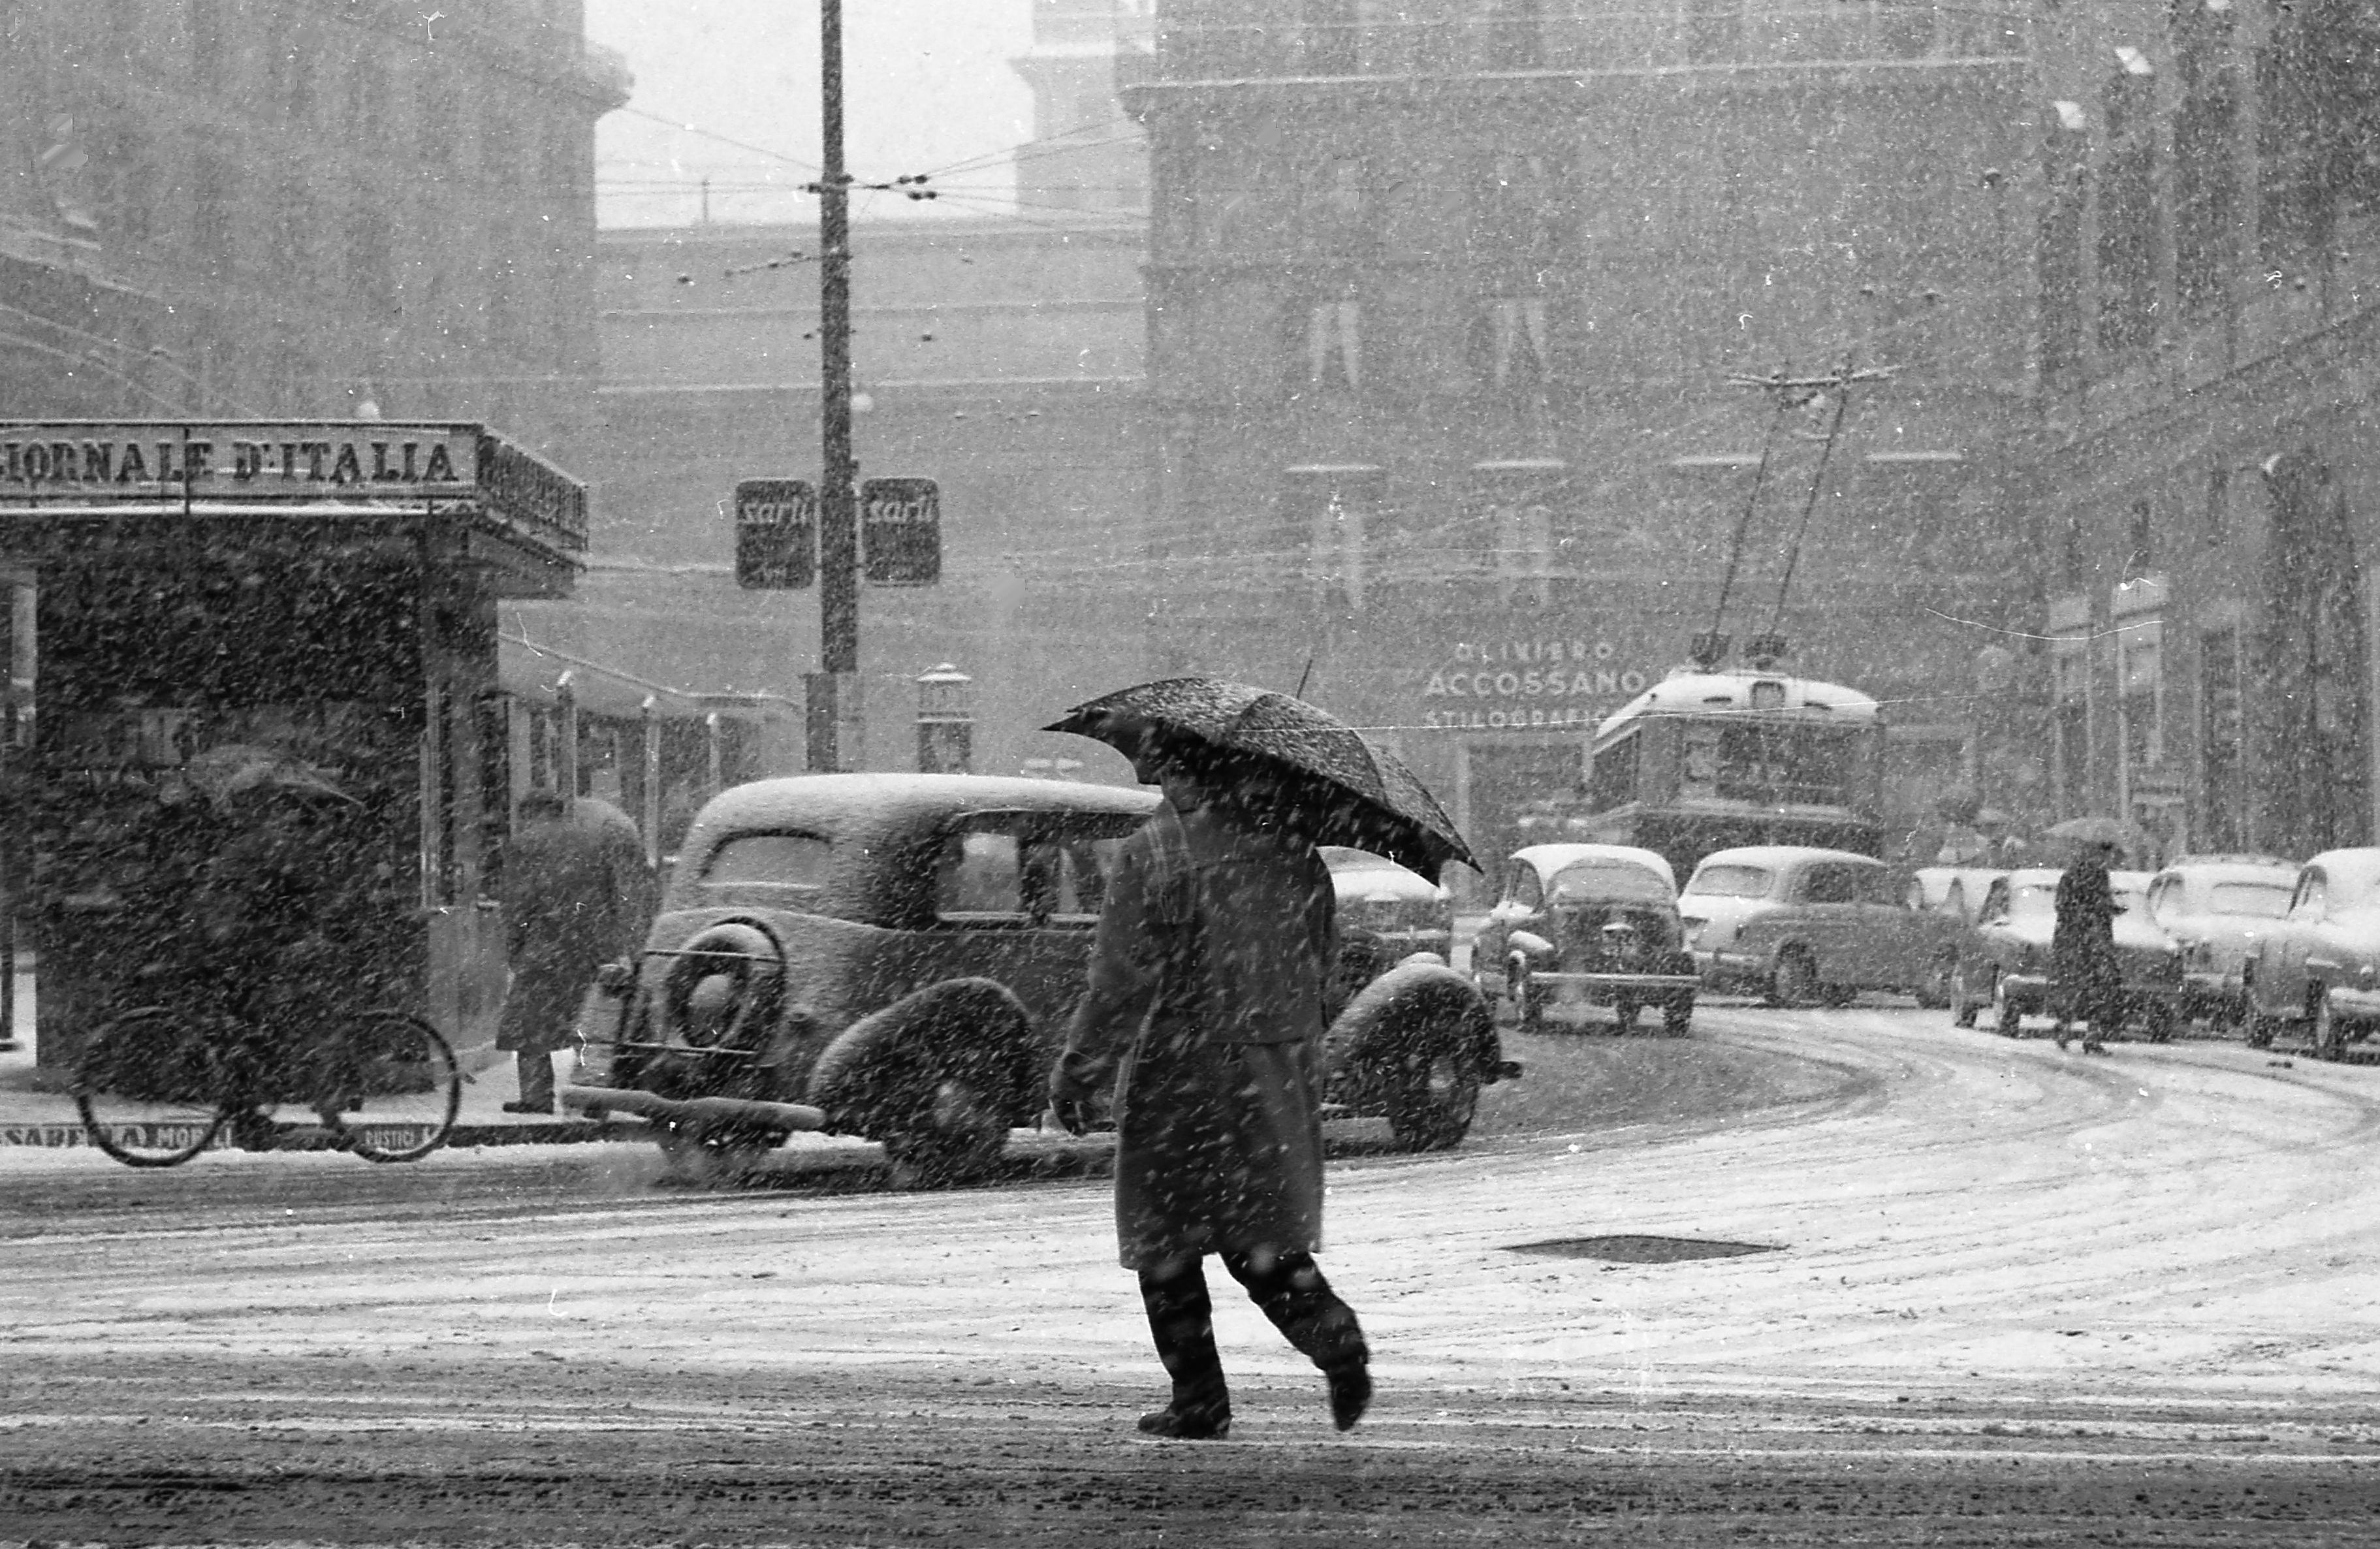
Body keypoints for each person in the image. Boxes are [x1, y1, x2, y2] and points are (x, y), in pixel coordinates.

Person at [1048, 729, 1371, 1441]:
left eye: (1161, 770)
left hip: (1180, 1073)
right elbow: (1324, 969)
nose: (1157, 783)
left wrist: (1081, 1070)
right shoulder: (1298, 858)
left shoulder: (1154, 853)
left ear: (1180, 774)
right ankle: (1333, 1334)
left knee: (1165, 1241)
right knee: (1262, 1234)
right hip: (1275, 1074)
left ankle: (1198, 1397)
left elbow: (1119, 980)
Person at [498, 790, 656, 1113]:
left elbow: (518, 904)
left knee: (531, 1027)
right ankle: (594, 1097)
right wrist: (617, 942)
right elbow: (617, 893)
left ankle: (536, 1097)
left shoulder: (524, 845)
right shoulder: (592, 840)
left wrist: (515, 945)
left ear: (531, 813)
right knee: (590, 1026)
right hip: (593, 946)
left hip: (545, 946)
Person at [2052, 838, 2125, 1054]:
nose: (2107, 861)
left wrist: (2110, 908)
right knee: (2084, 986)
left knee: (2093, 986)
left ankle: (2085, 1033)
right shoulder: (2076, 876)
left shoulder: (2096, 876)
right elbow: (2063, 906)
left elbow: (2091, 904)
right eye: (2104, 856)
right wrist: (2090, 915)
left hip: (2088, 940)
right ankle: (2072, 1030)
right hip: (2081, 940)